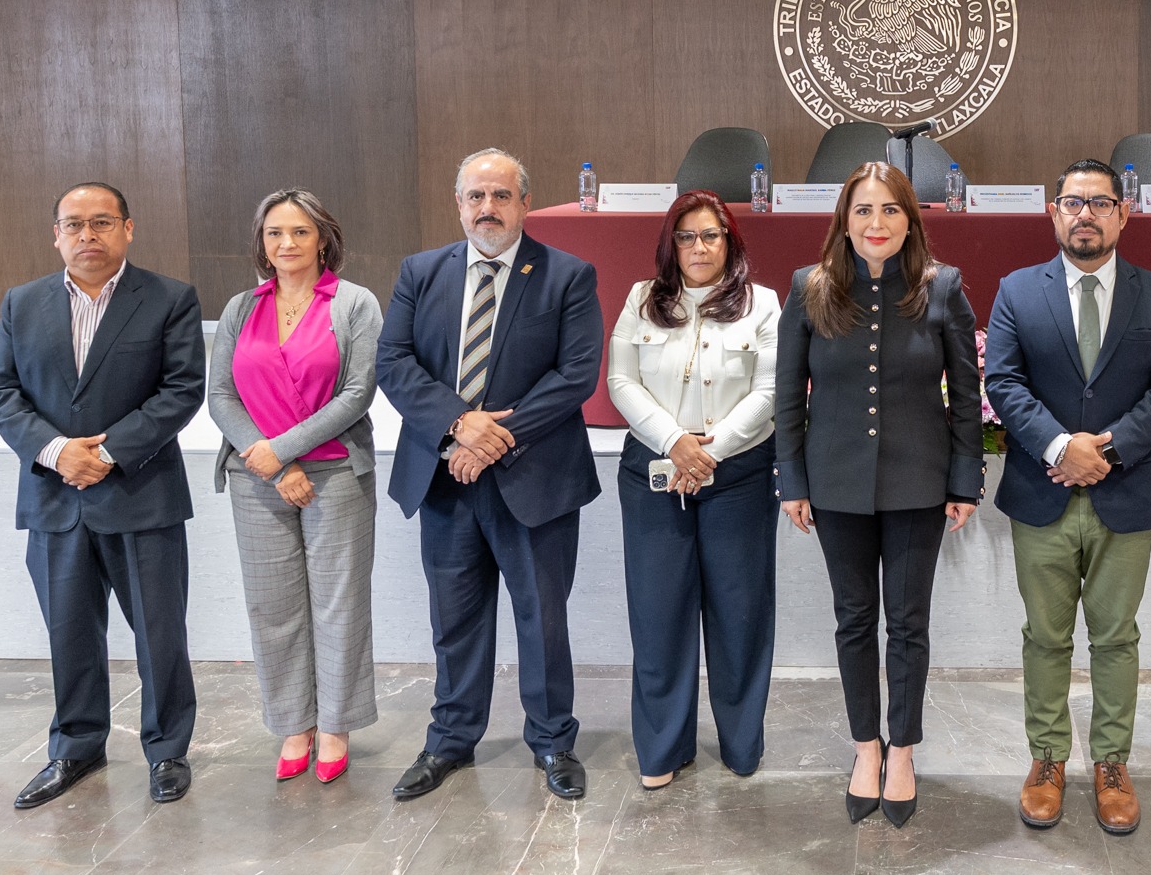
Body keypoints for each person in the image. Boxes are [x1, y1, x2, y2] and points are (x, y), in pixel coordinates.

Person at [377, 149, 604, 803]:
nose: (488, 208)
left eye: (501, 195)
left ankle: (553, 739)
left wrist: (492, 438)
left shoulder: (567, 275)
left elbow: (575, 374)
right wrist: (458, 423)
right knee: (455, 621)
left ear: (525, 203)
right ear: (458, 204)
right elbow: (393, 361)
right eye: (475, 196)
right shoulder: (421, 272)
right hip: (445, 478)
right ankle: (450, 738)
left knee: (542, 619)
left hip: (534, 479)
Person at [983, 159, 1151, 836]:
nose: (1086, 215)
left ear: (1123, 214)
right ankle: (1047, 758)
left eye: (1100, 203)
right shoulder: (1019, 290)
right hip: (1041, 492)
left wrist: (1107, 448)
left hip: (1123, 492)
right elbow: (1003, 381)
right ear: (1053, 212)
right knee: (1045, 636)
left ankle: (1111, 763)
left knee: (1116, 637)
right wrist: (1057, 446)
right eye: (1074, 202)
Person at [0, 182, 205, 809]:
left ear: (128, 229)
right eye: (74, 224)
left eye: (102, 222)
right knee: (69, 633)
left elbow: (181, 390)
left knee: (159, 633)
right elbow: (0, 392)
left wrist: (105, 454)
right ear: (56, 234)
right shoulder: (22, 302)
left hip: (140, 493)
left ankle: (167, 750)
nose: (88, 235)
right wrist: (58, 452)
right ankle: (76, 747)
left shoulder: (169, 298)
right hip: (55, 498)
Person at [775, 161, 984, 829]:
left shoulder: (941, 287)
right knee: (854, 620)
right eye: (863, 210)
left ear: (910, 221)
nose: (876, 222)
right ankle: (866, 747)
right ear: (844, 221)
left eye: (890, 209)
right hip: (835, 484)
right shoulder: (809, 288)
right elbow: (787, 395)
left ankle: (904, 751)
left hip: (918, 482)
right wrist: (791, 480)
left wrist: (966, 480)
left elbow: (966, 394)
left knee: (909, 623)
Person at [206, 189, 383, 786]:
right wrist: (276, 466)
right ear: (262, 242)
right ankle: (293, 723)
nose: (287, 243)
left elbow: (357, 395)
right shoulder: (241, 307)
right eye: (275, 233)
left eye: (300, 232)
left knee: (339, 605)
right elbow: (221, 395)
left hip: (334, 474)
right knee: (273, 606)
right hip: (257, 477)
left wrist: (283, 451)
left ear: (323, 239)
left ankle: (335, 725)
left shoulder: (354, 303)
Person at [607, 190, 781, 787]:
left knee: (740, 615)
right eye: (686, 237)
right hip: (655, 471)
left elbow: (770, 391)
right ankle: (663, 749)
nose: (699, 247)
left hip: (738, 474)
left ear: (729, 241)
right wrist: (674, 442)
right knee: (658, 615)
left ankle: (741, 744)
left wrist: (710, 451)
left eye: (710, 235)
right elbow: (621, 381)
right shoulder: (642, 300)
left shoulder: (762, 303)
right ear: (671, 245)